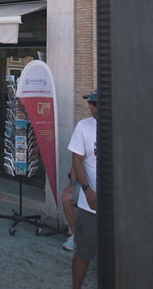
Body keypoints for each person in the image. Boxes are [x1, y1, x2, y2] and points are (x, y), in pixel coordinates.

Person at [68, 89, 98, 289]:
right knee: (84, 250)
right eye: (90, 103)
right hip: (90, 204)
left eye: (95, 103)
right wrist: (87, 190)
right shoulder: (83, 127)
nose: (91, 107)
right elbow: (77, 161)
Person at [60, 167, 79, 251]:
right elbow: (74, 166)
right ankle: (75, 235)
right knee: (66, 198)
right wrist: (72, 184)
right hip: (84, 184)